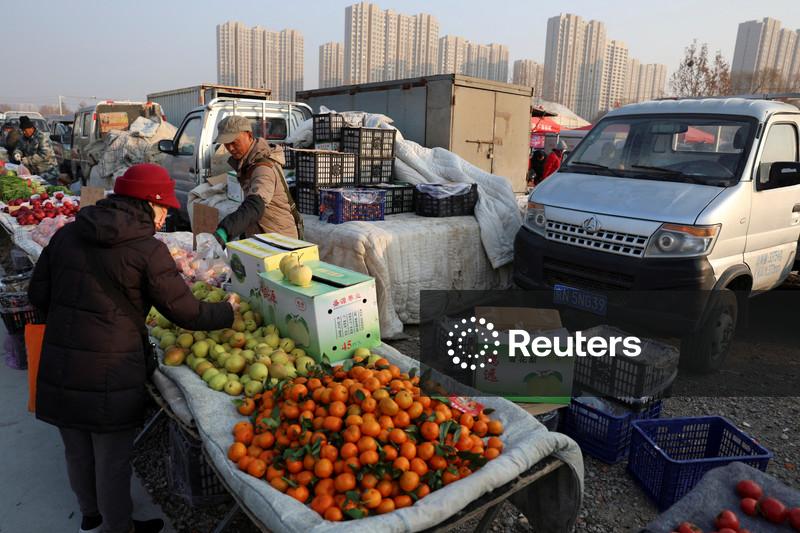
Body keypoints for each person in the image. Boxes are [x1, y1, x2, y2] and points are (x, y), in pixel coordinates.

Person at [28, 163, 235, 533]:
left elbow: (37, 294)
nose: (164, 217)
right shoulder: (146, 251)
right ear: (145, 204)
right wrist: (227, 312)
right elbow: (185, 312)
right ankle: (117, 526)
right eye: (162, 209)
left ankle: (90, 515)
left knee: (76, 446)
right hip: (111, 368)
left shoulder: (68, 235)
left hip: (60, 360)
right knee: (111, 457)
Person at [212, 116, 302, 245]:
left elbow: (255, 204)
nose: (230, 148)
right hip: (263, 237)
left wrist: (226, 229)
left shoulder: (263, 169)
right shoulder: (247, 163)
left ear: (249, 135)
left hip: (280, 241)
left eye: (234, 142)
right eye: (226, 144)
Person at [12, 115, 59, 183]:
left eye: (25, 130)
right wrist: (17, 153)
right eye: (22, 130)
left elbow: (44, 155)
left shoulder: (42, 137)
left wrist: (27, 160)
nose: (23, 132)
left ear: (31, 128)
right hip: (34, 173)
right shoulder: (23, 138)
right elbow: (19, 148)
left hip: (48, 172)